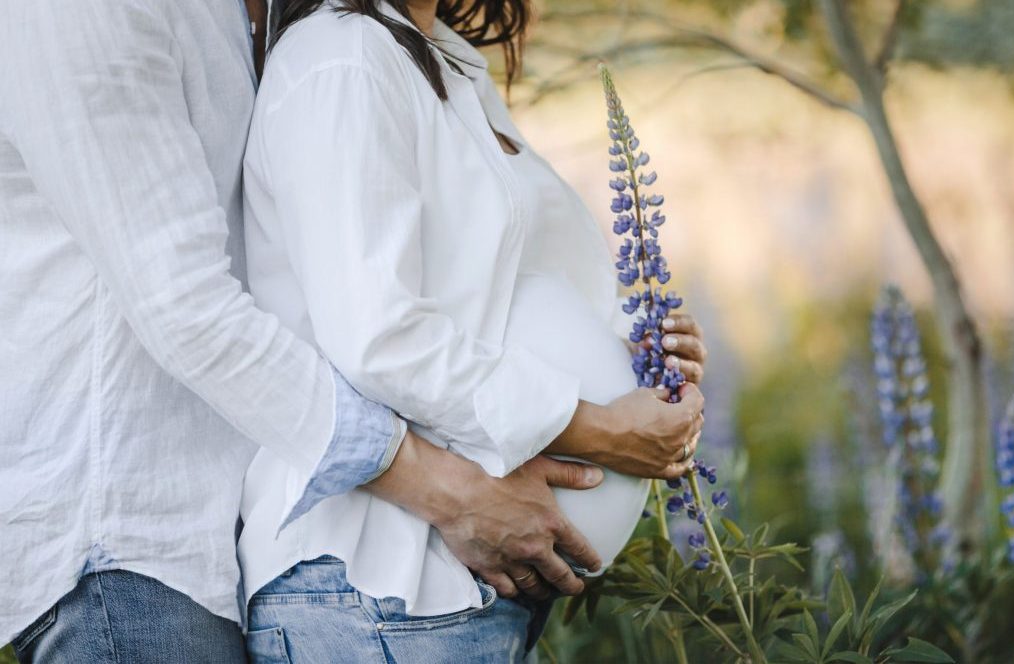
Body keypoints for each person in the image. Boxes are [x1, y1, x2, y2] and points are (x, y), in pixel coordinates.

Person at [0, 1, 674, 661]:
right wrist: (487, 467)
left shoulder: (319, 27)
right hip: (129, 538)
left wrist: (624, 352)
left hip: (259, 529)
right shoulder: (87, 10)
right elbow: (188, 309)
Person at [236, 1, 710, 661]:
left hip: (454, 594)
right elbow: (380, 336)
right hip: (381, 582)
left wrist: (632, 360)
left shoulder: (441, 57)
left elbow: (483, 295)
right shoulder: (340, 59)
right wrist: (602, 430)